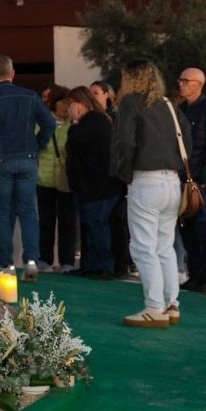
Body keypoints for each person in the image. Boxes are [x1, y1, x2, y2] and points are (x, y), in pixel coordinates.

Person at [111, 60, 192, 327]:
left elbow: (125, 141)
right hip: (172, 182)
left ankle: (154, 307)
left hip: (146, 180)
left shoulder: (130, 103)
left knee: (143, 247)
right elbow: (187, 140)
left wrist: (124, 173)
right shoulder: (168, 104)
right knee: (164, 246)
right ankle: (171, 304)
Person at [0, 55, 56, 269]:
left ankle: (7, 263)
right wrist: (36, 145)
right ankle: (31, 262)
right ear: (13, 73)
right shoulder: (30, 96)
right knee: (28, 212)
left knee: (0, 213)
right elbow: (49, 123)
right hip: (27, 159)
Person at [66, 86, 123, 279]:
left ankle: (104, 266)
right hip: (93, 186)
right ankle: (90, 265)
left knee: (97, 225)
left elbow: (76, 140)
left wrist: (75, 121)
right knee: (90, 226)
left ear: (80, 103)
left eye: (72, 103)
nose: (69, 108)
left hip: (98, 186)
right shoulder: (98, 120)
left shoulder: (93, 120)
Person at [177, 67, 206, 294]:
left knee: (203, 229)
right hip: (184, 181)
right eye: (180, 80)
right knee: (187, 229)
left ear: (198, 84)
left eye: (185, 80)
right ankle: (195, 275)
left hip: (200, 183)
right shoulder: (181, 110)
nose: (181, 84)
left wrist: (205, 179)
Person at [36, 85, 78, 273]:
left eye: (70, 102)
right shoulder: (42, 122)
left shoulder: (74, 124)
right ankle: (44, 258)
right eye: (63, 102)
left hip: (66, 179)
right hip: (44, 178)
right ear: (54, 103)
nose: (66, 106)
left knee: (68, 221)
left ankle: (67, 261)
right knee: (46, 221)